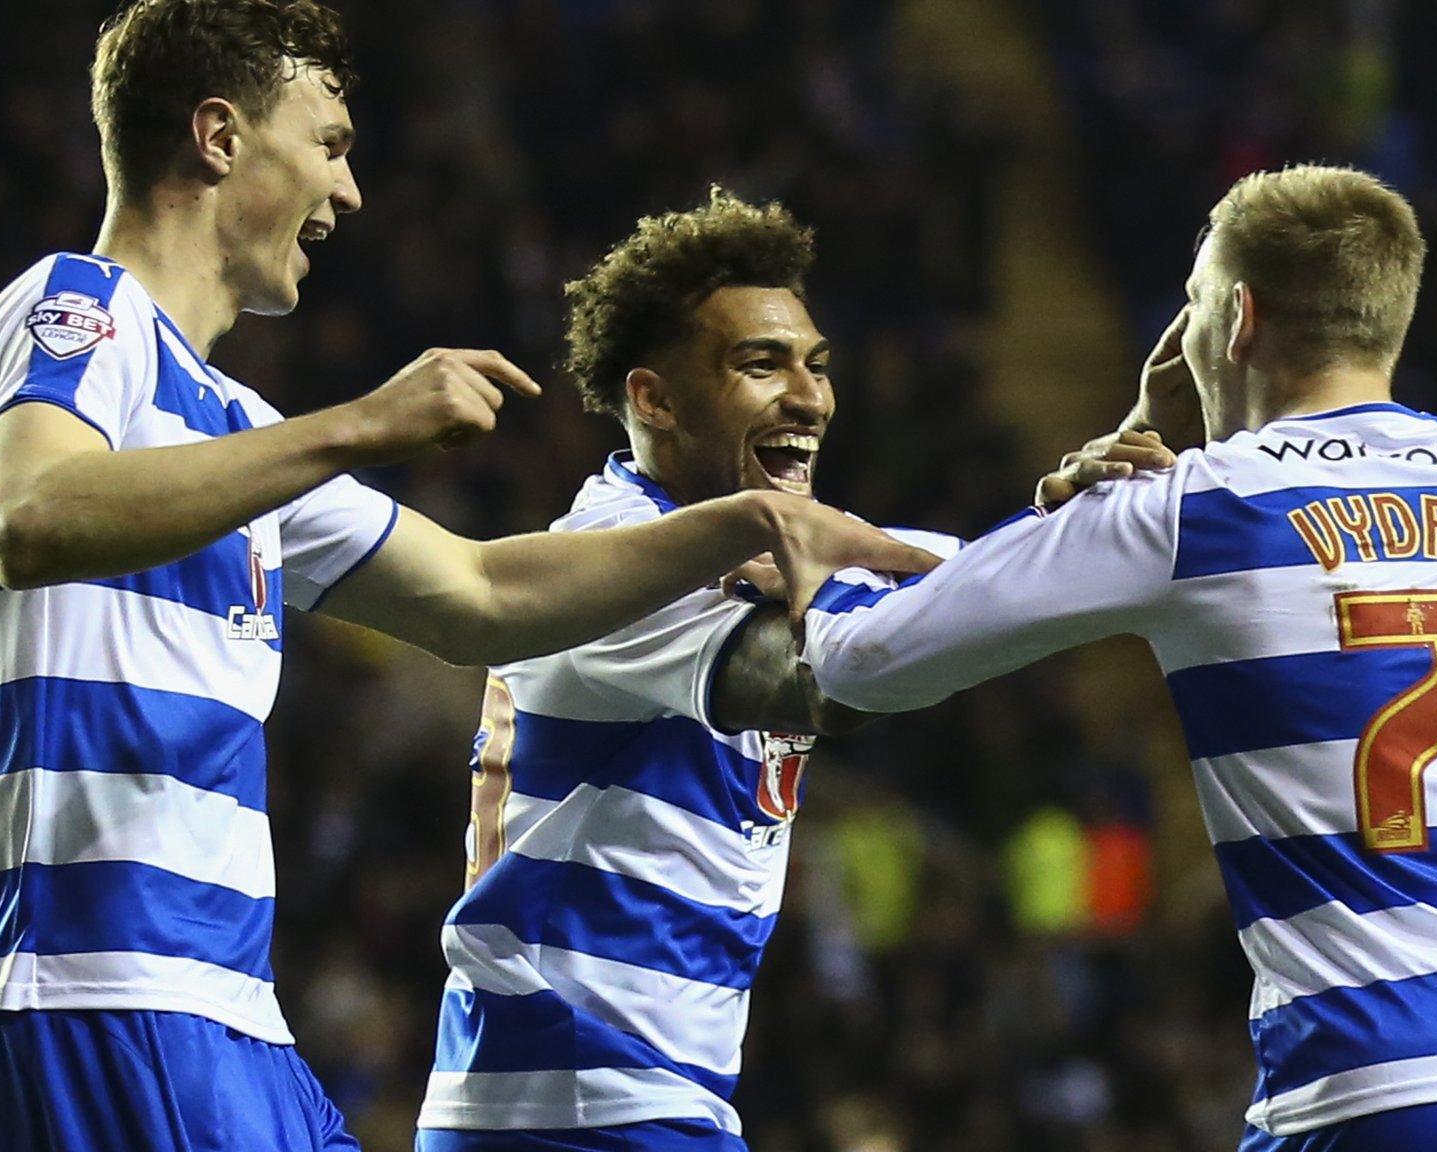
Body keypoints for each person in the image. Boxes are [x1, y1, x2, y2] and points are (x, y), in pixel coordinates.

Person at [0, 5, 936, 1151]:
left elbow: (479, 597)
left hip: (210, 1006)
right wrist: (360, 424)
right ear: (218, 137)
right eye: (328, 144)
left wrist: (743, 522)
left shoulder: (235, 429)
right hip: (98, 989)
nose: (347, 192)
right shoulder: (76, 306)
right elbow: (30, 516)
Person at [798, 164, 1437, 1151]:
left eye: (1193, 308)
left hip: (1376, 1083)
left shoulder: (1190, 508)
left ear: (1236, 317)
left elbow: (865, 662)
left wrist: (1110, 461)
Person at [414, 190, 1165, 1151]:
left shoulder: (760, 548)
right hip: (569, 1100)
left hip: (632, 1095)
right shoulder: (617, 558)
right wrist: (1074, 551)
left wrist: (1067, 516)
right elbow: (829, 678)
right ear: (653, 397)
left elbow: (939, 577)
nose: (809, 396)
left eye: (815, 364)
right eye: (759, 364)